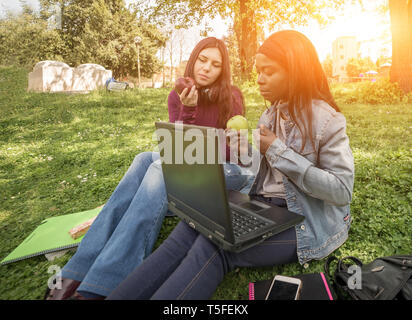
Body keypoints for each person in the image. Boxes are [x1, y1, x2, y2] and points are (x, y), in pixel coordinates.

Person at [106, 30, 355, 300]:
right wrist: (244, 151)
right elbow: (266, 173)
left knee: (216, 246)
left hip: (306, 221)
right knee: (192, 224)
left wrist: (278, 151)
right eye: (258, 71)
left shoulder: (328, 121)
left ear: (295, 71)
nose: (259, 80)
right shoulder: (270, 114)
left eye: (268, 72)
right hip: (265, 205)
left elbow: (342, 190)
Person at [45, 37, 249, 300]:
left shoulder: (232, 96)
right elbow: (176, 150)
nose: (207, 68)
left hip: (227, 170)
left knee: (159, 168)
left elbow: (236, 153)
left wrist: (230, 140)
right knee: (144, 159)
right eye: (202, 59)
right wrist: (188, 110)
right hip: (192, 165)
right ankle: (78, 268)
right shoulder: (177, 95)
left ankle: (104, 280)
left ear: (223, 70)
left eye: (215, 64)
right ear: (193, 59)